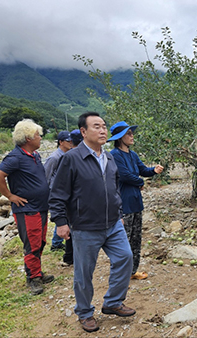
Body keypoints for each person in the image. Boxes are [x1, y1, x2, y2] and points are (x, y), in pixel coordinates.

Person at [49, 112, 135, 333]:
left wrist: (119, 214)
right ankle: (85, 313)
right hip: (85, 226)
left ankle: (113, 302)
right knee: (84, 273)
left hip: (113, 223)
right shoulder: (72, 158)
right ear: (84, 132)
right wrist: (61, 222)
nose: (103, 130)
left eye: (104, 126)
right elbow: (58, 194)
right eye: (97, 126)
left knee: (125, 257)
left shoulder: (109, 157)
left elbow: (115, 189)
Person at [0, 119, 54, 295]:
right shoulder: (15, 157)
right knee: (32, 244)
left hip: (40, 207)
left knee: (40, 242)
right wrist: (10, 196)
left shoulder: (35, 155)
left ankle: (37, 272)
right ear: (27, 138)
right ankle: (33, 278)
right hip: (27, 209)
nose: (40, 138)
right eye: (37, 135)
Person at [108, 121, 164, 280]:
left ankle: (132, 271)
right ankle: (120, 272)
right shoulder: (114, 155)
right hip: (124, 204)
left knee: (136, 239)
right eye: (129, 134)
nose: (132, 136)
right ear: (120, 138)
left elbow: (142, 170)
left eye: (132, 133)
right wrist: (140, 182)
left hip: (135, 202)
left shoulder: (132, 155)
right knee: (122, 240)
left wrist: (153, 170)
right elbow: (124, 175)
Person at [44, 130, 73, 252]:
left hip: (65, 191)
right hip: (55, 192)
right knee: (61, 216)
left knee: (65, 216)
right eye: (68, 141)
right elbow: (46, 176)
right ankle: (56, 243)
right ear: (61, 142)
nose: (71, 143)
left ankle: (58, 242)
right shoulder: (54, 157)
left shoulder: (68, 155)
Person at [61, 128, 83, 266]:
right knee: (71, 230)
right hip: (71, 203)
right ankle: (70, 257)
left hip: (77, 203)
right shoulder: (65, 158)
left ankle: (71, 257)